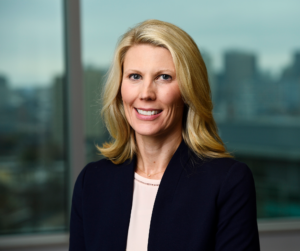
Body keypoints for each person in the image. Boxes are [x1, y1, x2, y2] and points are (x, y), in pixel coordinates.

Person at [69, 19, 260, 251]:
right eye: (135, 76)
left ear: (189, 91)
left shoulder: (227, 182)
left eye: (164, 77)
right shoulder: (92, 182)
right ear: (119, 88)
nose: (146, 94)